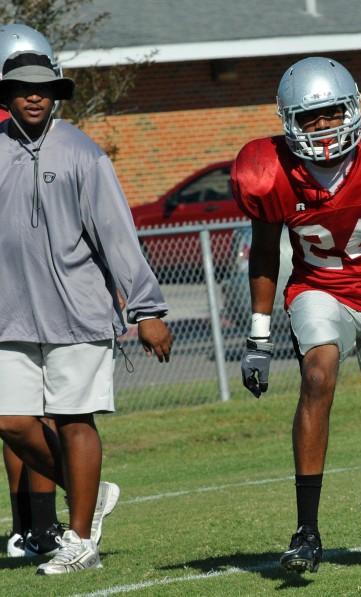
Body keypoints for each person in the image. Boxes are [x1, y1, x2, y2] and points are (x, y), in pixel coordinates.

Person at [233, 57, 361, 575]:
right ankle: (306, 529)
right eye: (311, 117)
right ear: (289, 122)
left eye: (331, 113)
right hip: (318, 289)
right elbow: (264, 257)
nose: (323, 126)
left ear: (352, 110)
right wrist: (258, 338)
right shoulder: (270, 172)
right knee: (317, 371)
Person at [0, 50, 172, 574]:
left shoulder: (83, 154)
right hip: (9, 319)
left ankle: (79, 541)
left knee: (75, 420)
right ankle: (88, 494)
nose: (35, 95)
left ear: (55, 95)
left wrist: (147, 309)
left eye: (45, 87)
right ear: (6, 96)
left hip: (78, 313)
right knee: (9, 421)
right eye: (24, 87)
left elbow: (117, 237)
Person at [0, 23, 62, 560]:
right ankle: (33, 523)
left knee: (30, 414)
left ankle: (42, 524)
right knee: (13, 417)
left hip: (38, 289)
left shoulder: (40, 136)